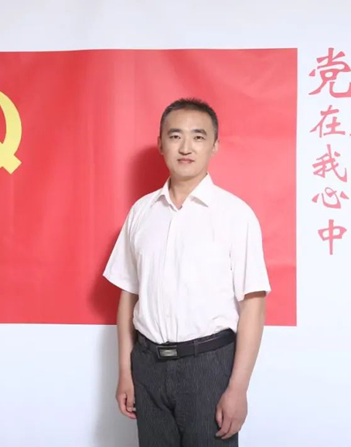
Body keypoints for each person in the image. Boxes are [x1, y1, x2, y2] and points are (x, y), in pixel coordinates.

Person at [103, 98, 271, 446]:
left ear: (214, 145)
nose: (186, 147)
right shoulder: (141, 212)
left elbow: (253, 305)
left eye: (198, 136)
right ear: (161, 143)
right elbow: (128, 296)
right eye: (175, 135)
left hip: (208, 366)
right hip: (148, 365)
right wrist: (125, 371)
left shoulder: (235, 214)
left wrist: (238, 388)